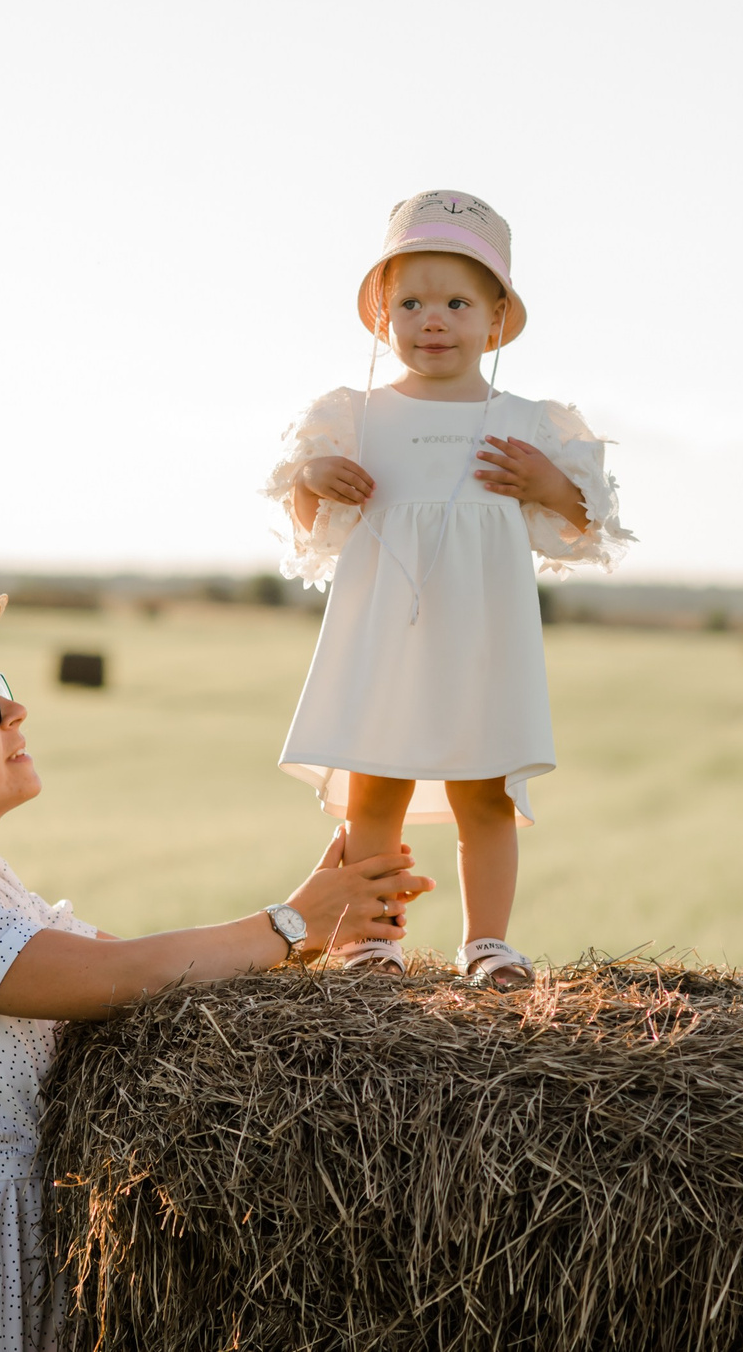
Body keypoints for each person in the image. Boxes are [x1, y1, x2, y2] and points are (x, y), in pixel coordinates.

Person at [0, 597, 429, 1351]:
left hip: (29, 1272)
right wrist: (291, 925)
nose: (15, 707)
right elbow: (120, 973)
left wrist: (310, 925)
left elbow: (166, 980)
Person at [264, 191, 633, 989]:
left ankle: (488, 943)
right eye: (412, 302)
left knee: (487, 791)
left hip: (481, 636)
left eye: (458, 301)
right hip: (384, 636)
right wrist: (312, 478)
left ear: (496, 317)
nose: (433, 319)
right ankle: (371, 938)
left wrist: (546, 481)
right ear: (382, 314)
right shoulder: (356, 416)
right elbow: (309, 532)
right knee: (376, 785)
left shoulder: (528, 423)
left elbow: (587, 526)